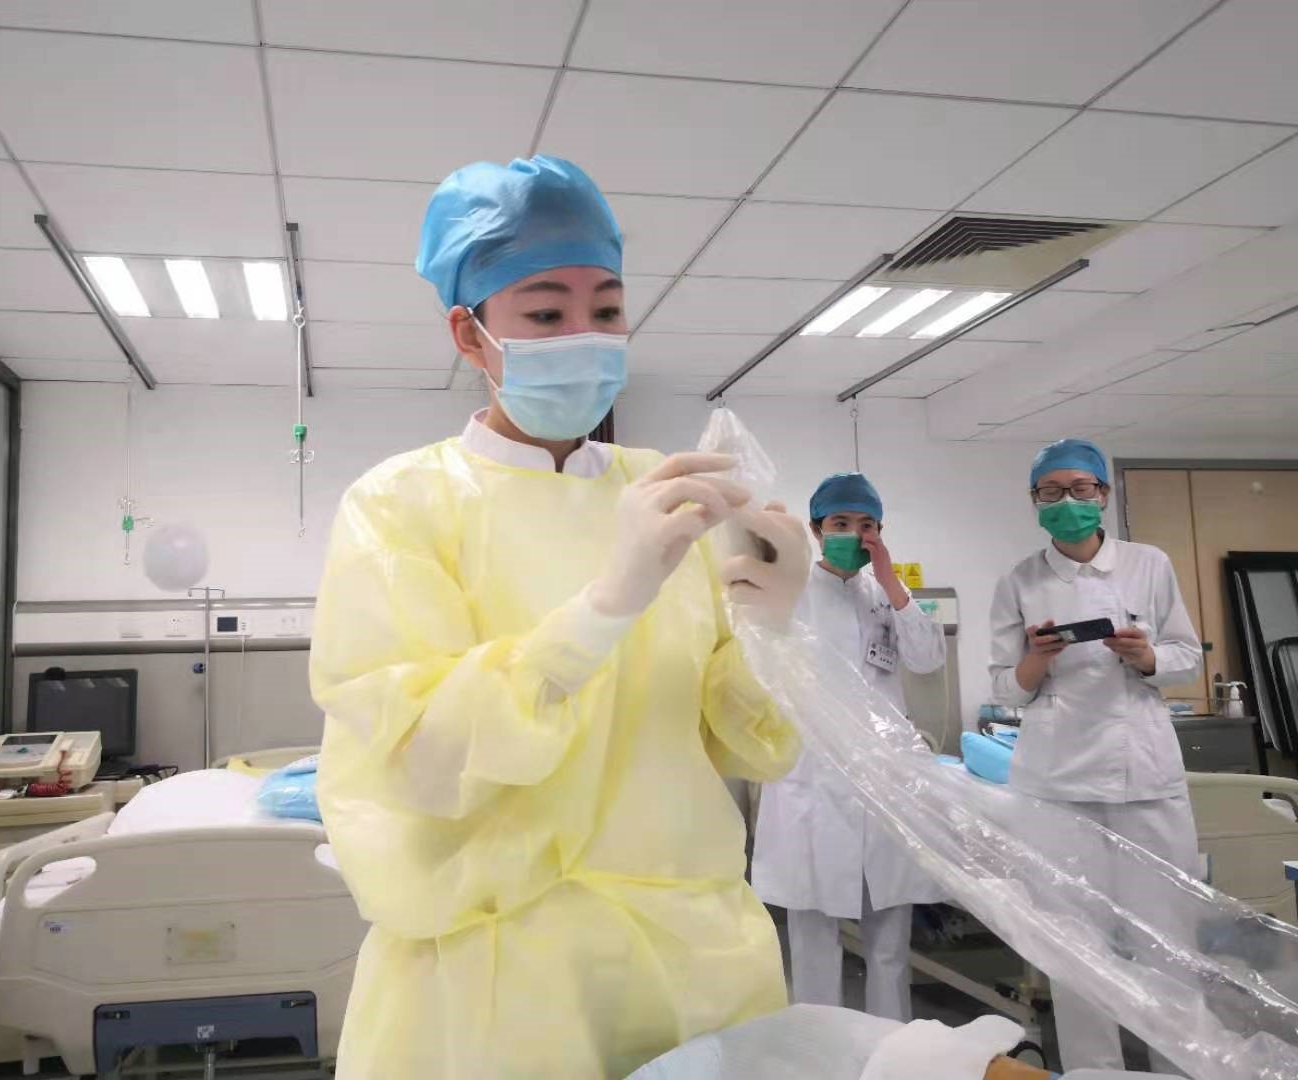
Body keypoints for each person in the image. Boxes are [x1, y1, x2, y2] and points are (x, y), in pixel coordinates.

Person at [309, 155, 813, 1079]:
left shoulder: (670, 494)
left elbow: (749, 746)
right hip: (500, 966)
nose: (584, 336)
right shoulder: (402, 505)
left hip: (696, 953)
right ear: (469, 333)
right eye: (545, 315)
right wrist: (603, 608)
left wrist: (773, 626)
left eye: (607, 310)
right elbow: (419, 757)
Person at [988, 437, 1203, 1072]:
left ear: (1102, 494)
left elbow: (1187, 655)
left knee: (1168, 939)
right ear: (1035, 501)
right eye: (1051, 492)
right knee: (1074, 943)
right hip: (1056, 784)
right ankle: (1094, 1071)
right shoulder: (1020, 581)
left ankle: (1179, 1066)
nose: (1067, 501)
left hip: (1145, 777)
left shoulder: (1148, 564)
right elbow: (1004, 687)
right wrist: (1036, 659)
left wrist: (1147, 656)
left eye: (1080, 488)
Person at [752, 473, 946, 1022]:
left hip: (883, 781)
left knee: (890, 938)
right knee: (814, 937)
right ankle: (821, 1048)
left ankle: (891, 1045)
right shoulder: (791, 592)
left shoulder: (886, 597)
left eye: (867, 525)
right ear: (816, 530)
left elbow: (928, 660)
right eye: (841, 523)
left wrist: (892, 583)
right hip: (813, 778)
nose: (855, 534)